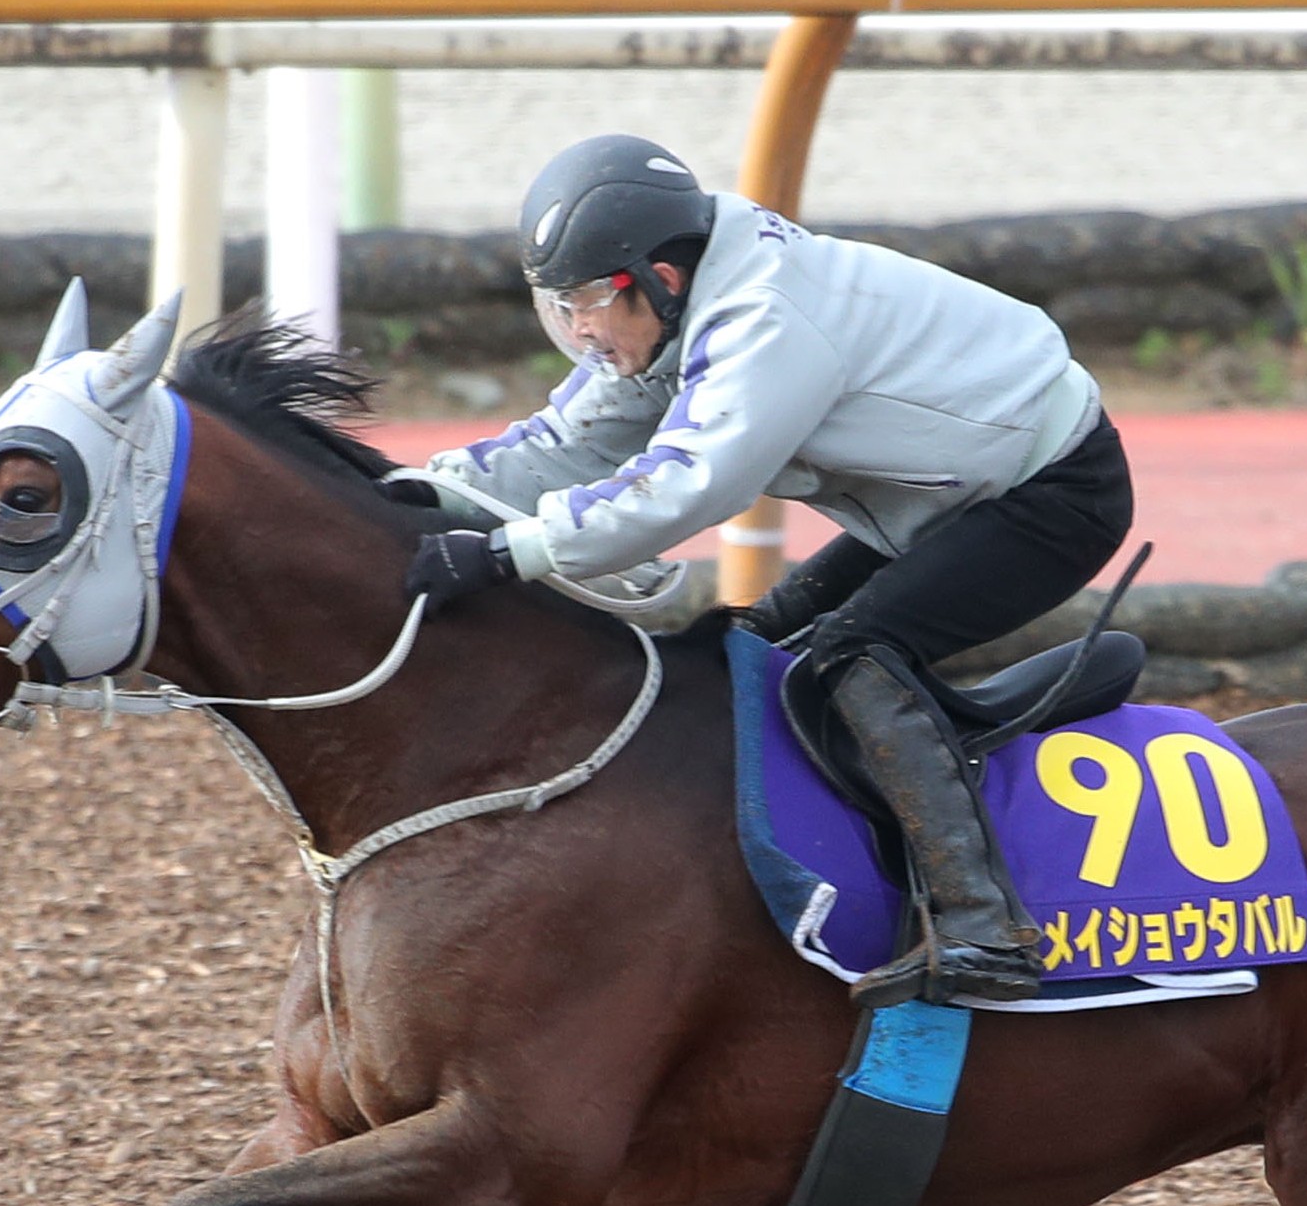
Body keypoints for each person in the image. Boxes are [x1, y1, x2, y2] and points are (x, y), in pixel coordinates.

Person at [398, 134, 1132, 1006]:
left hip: (1052, 495)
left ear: (658, 278)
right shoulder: (675, 306)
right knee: (757, 644)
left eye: (590, 300)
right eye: (561, 305)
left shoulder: (765, 317)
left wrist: (504, 553)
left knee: (853, 653)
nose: (580, 327)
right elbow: (562, 445)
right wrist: (411, 493)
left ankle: (984, 929)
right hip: (949, 495)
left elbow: (684, 485)